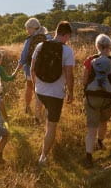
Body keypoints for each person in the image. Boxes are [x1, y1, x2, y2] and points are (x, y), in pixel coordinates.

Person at [30, 21, 75, 164]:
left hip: (40, 91)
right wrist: (71, 92)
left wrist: (35, 85)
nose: (68, 39)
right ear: (66, 35)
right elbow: (69, 75)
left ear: (56, 31)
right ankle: (43, 157)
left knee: (45, 118)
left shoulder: (41, 45)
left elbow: (32, 68)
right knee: (51, 126)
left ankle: (44, 143)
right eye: (68, 37)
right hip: (55, 94)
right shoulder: (67, 51)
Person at [82, 34, 111, 168]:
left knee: (91, 129)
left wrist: (85, 93)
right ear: (109, 46)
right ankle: (100, 142)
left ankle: (89, 157)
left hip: (92, 98)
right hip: (108, 99)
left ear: (97, 46)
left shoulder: (89, 60)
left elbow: (84, 80)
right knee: (103, 122)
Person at [14, 18, 51, 122]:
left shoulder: (29, 40)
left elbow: (23, 57)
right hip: (46, 70)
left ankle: (28, 107)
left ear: (31, 28)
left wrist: (16, 71)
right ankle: (43, 111)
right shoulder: (48, 37)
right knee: (43, 90)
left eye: (27, 28)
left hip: (31, 69)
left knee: (30, 87)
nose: (27, 31)